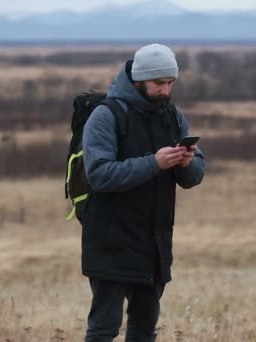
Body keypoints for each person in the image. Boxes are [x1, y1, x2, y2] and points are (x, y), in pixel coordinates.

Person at [81, 43, 206, 341]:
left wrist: (186, 164)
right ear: (138, 80)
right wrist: (155, 163)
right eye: (158, 83)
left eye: (170, 83)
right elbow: (99, 175)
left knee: (144, 329)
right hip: (111, 244)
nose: (165, 90)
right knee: (103, 330)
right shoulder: (105, 116)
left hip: (155, 245)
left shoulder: (173, 116)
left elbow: (195, 176)